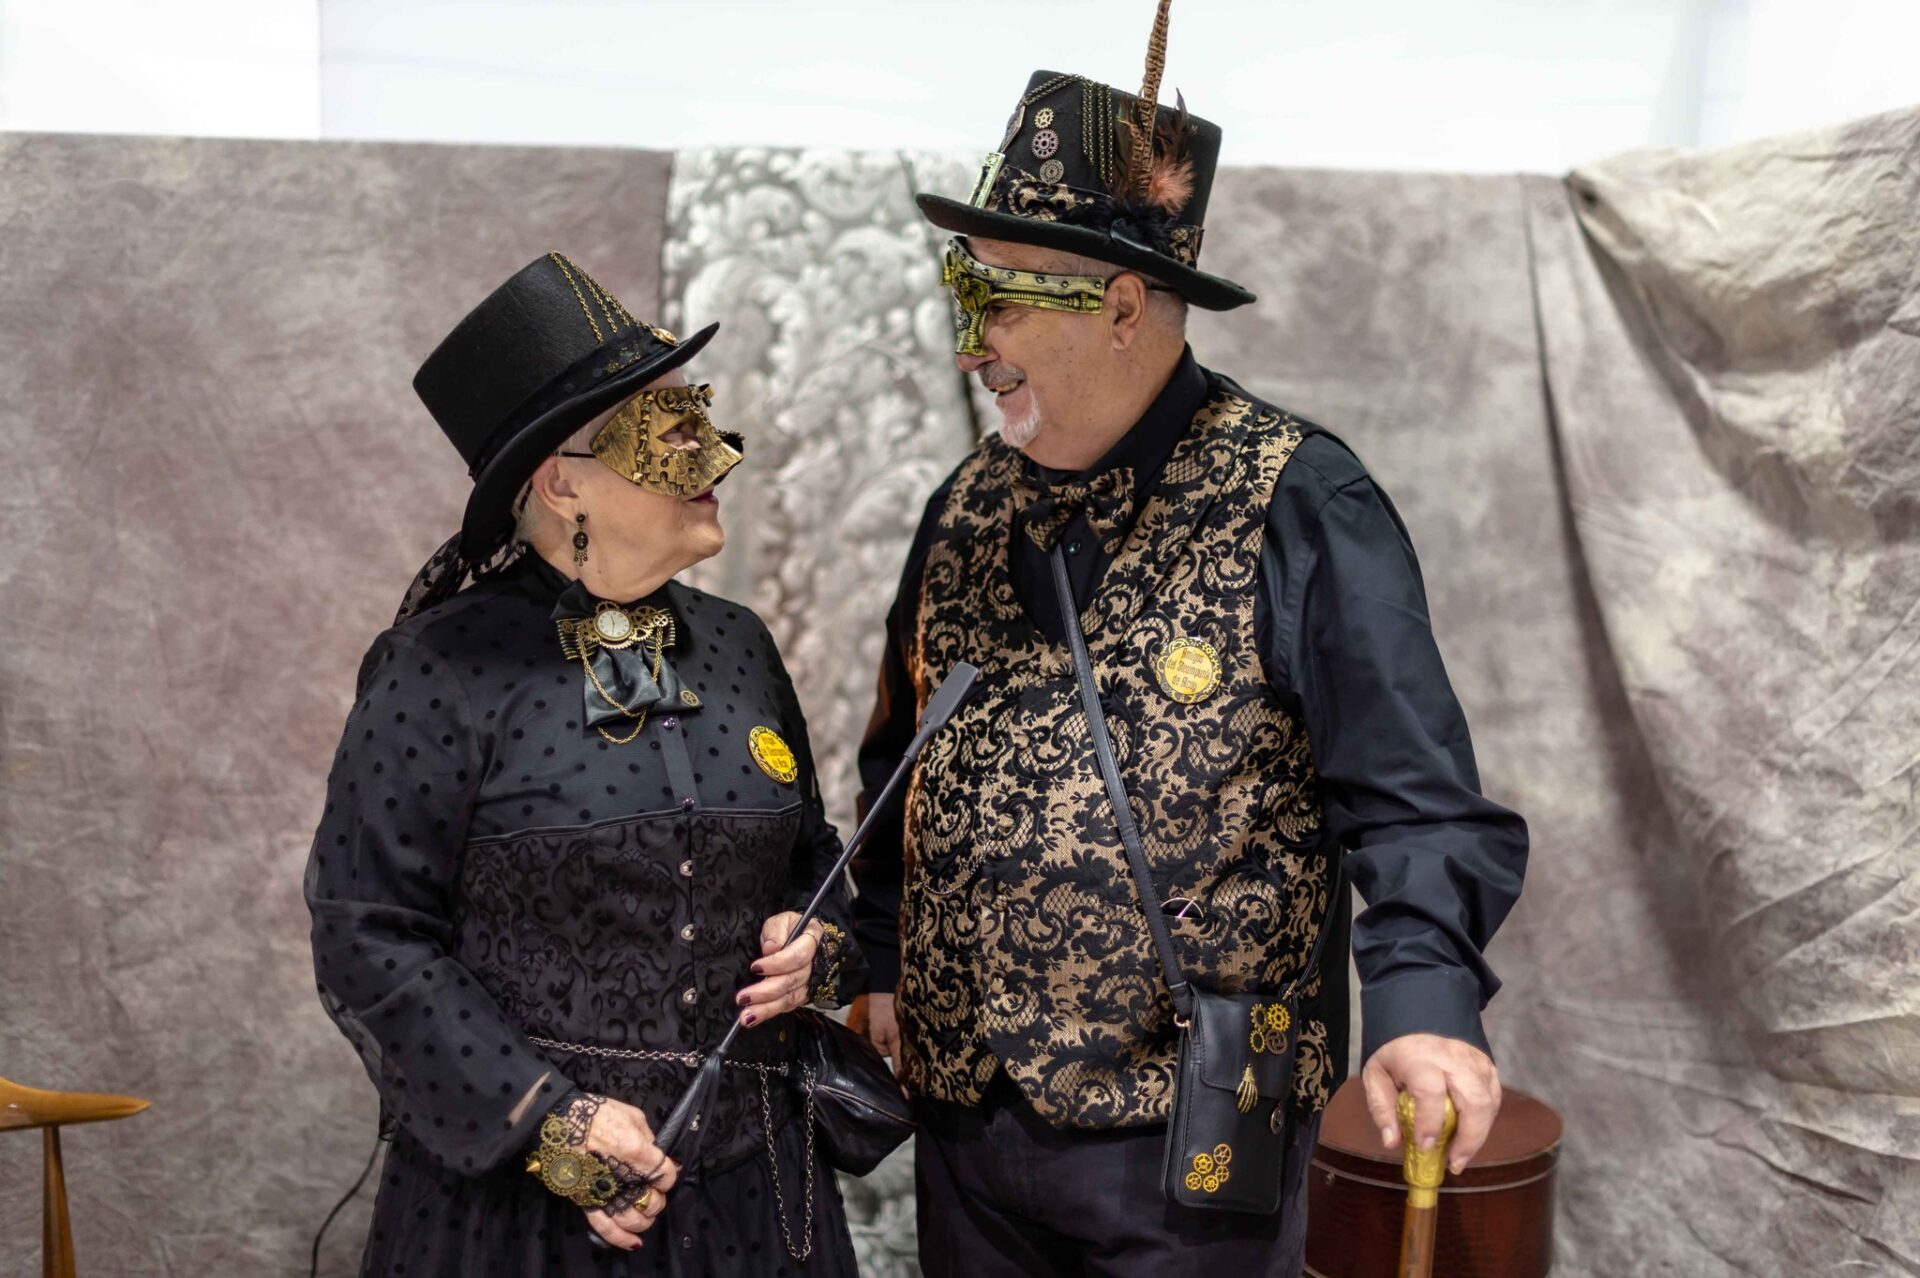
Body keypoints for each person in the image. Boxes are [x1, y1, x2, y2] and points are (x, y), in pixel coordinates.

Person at [847, 7, 1529, 1276]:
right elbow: (900, 760)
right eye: (961, 285)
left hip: (1188, 1144)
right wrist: (879, 946)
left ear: (1121, 305)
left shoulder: (1301, 499)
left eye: (998, 296)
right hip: (965, 1135)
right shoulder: (962, 507)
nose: (970, 341)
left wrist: (1426, 1005)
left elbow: (1414, 801)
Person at [305, 252, 864, 1276]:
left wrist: (816, 944)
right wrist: (550, 1125)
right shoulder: (440, 669)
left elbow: (813, 862)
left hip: (756, 1201)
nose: (715, 455)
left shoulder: (739, 643)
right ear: (562, 483)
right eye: (668, 431)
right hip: (526, 1222)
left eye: (699, 416)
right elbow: (367, 933)